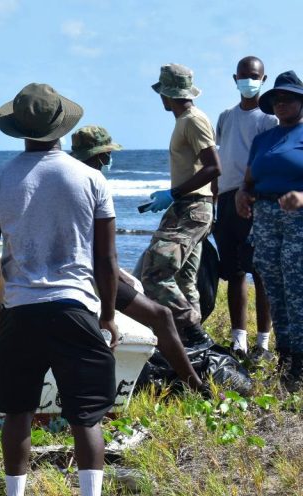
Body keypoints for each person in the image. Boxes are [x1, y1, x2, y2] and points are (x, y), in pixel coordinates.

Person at [0, 84, 117, 496]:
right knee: (86, 417)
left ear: (19, 128)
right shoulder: (90, 179)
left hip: (21, 309)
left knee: (18, 412)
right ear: (62, 126)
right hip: (76, 307)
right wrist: (107, 314)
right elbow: (106, 259)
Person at [71, 125, 206, 392]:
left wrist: (119, 273)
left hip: (69, 270)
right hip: (88, 273)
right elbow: (104, 251)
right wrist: (112, 296)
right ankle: (196, 387)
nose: (109, 160)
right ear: (101, 156)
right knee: (161, 316)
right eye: (108, 155)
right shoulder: (95, 183)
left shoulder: (66, 180)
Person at [140, 64, 221, 349]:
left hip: (192, 207)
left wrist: (173, 193)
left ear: (165, 94)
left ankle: (193, 333)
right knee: (185, 279)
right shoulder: (184, 120)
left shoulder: (192, 120)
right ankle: (190, 344)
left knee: (154, 272)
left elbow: (213, 167)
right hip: (189, 205)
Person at [235, 71, 303, 388]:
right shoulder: (264, 139)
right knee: (274, 288)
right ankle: (285, 357)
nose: (281, 103)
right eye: (276, 99)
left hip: (297, 219)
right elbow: (249, 179)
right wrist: (241, 193)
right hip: (265, 218)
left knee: (297, 287)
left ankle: (300, 362)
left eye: (288, 98)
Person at [214, 56, 278, 360]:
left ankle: (263, 342)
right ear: (234, 78)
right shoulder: (225, 116)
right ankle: (238, 339)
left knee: (260, 272)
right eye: (243, 75)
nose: (248, 81)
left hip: (253, 198)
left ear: (263, 79)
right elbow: (220, 157)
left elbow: (269, 161)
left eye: (254, 76)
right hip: (226, 199)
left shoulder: (269, 119)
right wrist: (214, 198)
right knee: (234, 271)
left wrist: (254, 194)